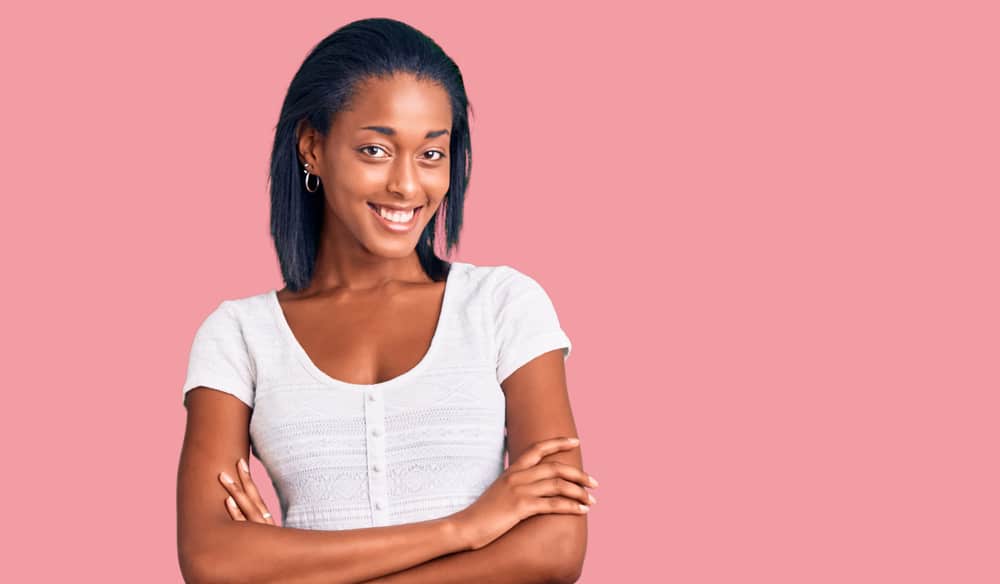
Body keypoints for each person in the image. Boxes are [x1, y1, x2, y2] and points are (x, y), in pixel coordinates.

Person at [176, 17, 596, 584]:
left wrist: (290, 565)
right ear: (312, 148)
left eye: (431, 154)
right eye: (375, 149)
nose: (406, 185)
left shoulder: (503, 306)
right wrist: (465, 529)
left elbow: (554, 548)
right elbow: (212, 559)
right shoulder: (240, 336)